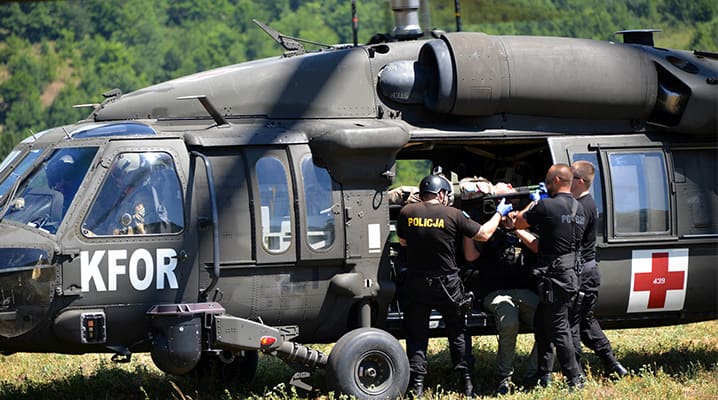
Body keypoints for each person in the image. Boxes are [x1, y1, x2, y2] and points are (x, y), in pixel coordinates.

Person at [397, 174, 513, 397]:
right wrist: (499, 213)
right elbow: (485, 234)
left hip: (416, 282)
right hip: (447, 284)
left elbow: (403, 242)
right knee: (457, 332)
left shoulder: (406, 213)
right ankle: (466, 384)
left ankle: (417, 386)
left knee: (417, 334)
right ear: (441, 194)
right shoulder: (454, 214)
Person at [511, 163, 586, 390]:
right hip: (570, 272)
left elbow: (519, 221)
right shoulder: (578, 208)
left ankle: (575, 378)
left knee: (558, 327)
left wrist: (532, 204)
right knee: (542, 324)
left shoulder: (546, 206)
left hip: (555, 276)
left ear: (554, 181)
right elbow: (545, 243)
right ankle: (543, 375)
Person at [462, 213, 539, 395]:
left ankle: (535, 373)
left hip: (524, 291)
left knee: (549, 322)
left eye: (512, 212)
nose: (508, 216)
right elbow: (470, 256)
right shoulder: (489, 232)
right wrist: (467, 230)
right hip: (495, 292)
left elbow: (537, 247)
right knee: (509, 322)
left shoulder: (526, 232)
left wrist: (516, 228)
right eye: (504, 212)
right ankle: (504, 376)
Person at [569, 161, 628, 378]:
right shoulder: (587, 204)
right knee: (585, 322)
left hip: (581, 274)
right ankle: (612, 364)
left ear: (581, 181)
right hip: (588, 272)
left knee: (572, 324)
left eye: (570, 176)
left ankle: (576, 374)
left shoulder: (582, 207)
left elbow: (570, 240)